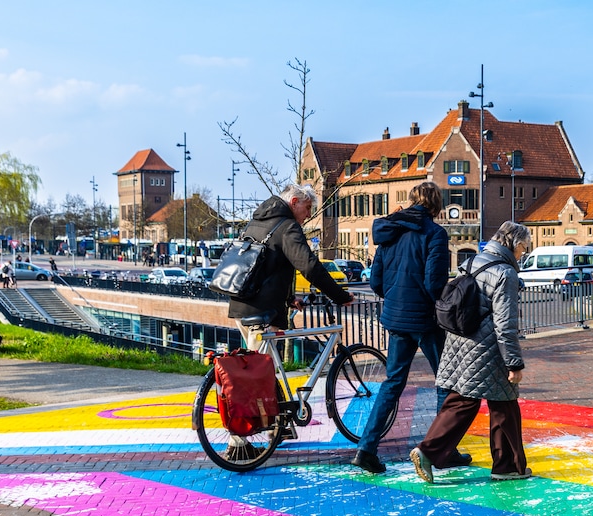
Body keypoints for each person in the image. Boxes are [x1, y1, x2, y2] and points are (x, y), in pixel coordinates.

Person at [411, 221, 533, 483]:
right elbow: (505, 324)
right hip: (488, 348)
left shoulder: (472, 262)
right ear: (514, 243)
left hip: (460, 341)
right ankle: (507, 466)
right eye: (524, 247)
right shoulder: (506, 273)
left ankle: (428, 451)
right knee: (504, 404)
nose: (524, 253)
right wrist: (514, 363)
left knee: (463, 400)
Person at [350, 182, 452, 474]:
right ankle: (442, 449)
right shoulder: (435, 233)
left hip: (396, 318)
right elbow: (434, 282)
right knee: (446, 381)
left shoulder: (390, 231)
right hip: (425, 319)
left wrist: (395, 297)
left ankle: (366, 449)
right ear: (436, 205)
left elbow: (376, 281)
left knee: (393, 383)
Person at [228, 183, 353, 353]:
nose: (309, 215)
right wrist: (340, 296)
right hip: (263, 312)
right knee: (261, 367)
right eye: (307, 208)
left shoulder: (256, 221)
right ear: (294, 202)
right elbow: (310, 266)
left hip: (241, 304)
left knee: (255, 363)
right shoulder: (288, 227)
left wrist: (289, 298)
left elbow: (267, 267)